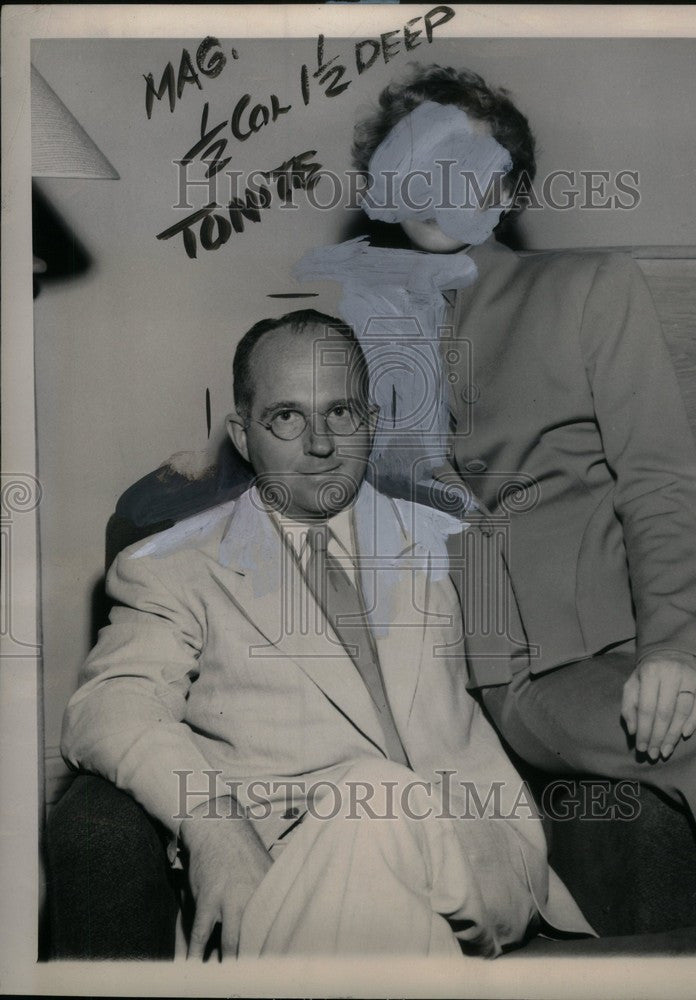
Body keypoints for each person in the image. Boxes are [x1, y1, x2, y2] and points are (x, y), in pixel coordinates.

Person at [333, 64, 696, 921]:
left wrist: (676, 639)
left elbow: (653, 469)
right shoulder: (364, 336)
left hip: (673, 620)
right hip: (528, 666)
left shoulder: (587, 286)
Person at [59, 308, 593, 959]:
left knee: (376, 798)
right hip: (289, 875)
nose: (319, 444)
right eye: (287, 417)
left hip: (477, 859)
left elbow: (591, 549)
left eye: (339, 413)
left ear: (368, 422)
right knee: (369, 818)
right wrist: (212, 826)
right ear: (242, 434)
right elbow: (106, 709)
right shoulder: (172, 567)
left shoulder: (450, 538)